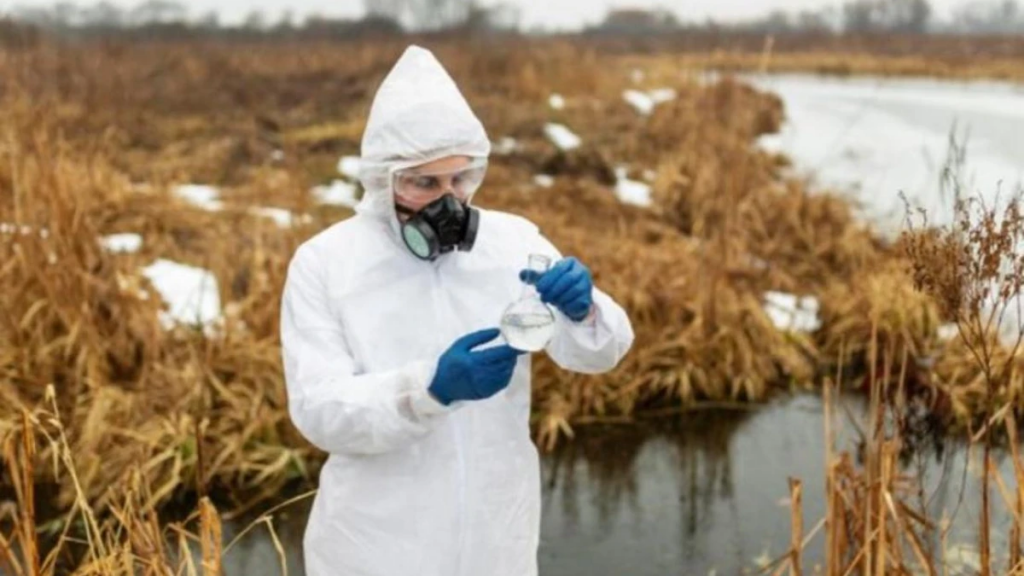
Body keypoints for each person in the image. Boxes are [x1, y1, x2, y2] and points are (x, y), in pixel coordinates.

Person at [279, 45, 634, 576]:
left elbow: (598, 354)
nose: (450, 200)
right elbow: (319, 411)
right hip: (376, 545)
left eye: (460, 179)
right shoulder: (326, 263)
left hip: (497, 538)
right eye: (425, 183)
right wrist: (428, 390)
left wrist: (587, 311)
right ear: (384, 180)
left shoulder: (511, 240)